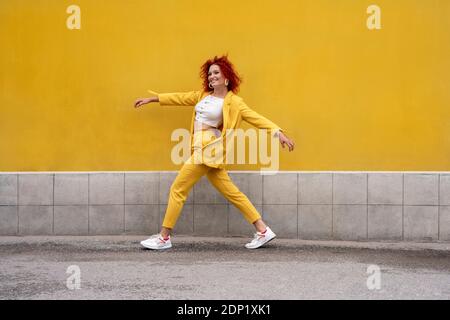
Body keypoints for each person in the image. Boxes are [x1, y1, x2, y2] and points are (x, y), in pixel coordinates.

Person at [134, 55, 295, 250]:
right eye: (210, 73)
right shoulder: (203, 96)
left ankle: (163, 237)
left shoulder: (234, 102)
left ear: (226, 76)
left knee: (178, 189)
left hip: (208, 150)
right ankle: (263, 230)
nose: (212, 76)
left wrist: (278, 133)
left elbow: (256, 118)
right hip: (200, 148)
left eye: (216, 72)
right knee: (233, 192)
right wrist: (153, 98)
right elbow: (180, 97)